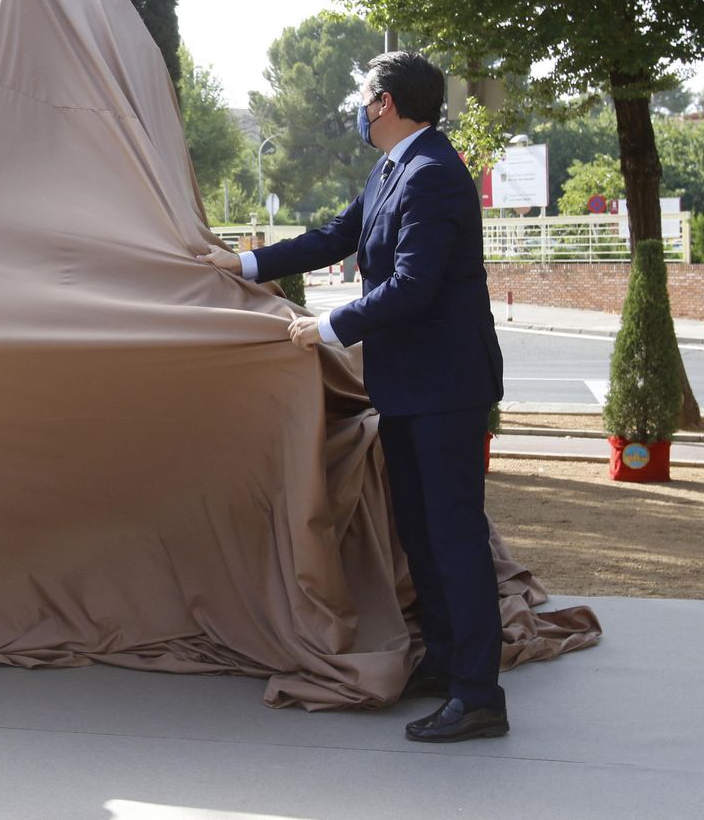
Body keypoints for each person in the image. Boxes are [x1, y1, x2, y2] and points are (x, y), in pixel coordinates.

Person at [199, 51, 507, 742]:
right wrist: (244, 263)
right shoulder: (393, 168)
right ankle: (447, 662)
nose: (360, 110)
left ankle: (479, 694)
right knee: (421, 534)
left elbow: (413, 286)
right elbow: (337, 236)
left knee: (455, 537)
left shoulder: (432, 173)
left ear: (385, 103)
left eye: (365, 97)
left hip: (445, 389)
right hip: (407, 386)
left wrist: (329, 327)